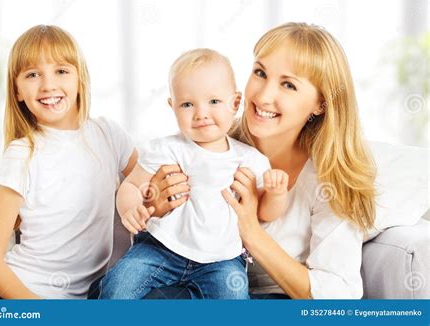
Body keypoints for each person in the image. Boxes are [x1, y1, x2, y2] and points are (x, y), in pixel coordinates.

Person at [146, 23, 377, 299]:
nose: (264, 96)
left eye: (288, 85)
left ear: (320, 104)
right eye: (260, 73)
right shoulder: (199, 147)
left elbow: (338, 296)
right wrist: (154, 208)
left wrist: (252, 232)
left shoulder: (329, 181)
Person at [99, 49, 289, 299]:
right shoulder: (166, 148)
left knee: (234, 299)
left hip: (222, 260)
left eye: (214, 102)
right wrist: (130, 209)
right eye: (187, 104)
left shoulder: (250, 159)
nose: (201, 114)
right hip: (161, 249)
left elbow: (265, 213)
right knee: (117, 285)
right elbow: (132, 186)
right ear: (173, 106)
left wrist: (276, 194)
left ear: (235, 103)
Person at [0, 25, 136, 299]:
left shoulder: (109, 135)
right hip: (18, 295)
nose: (48, 84)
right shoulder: (23, 153)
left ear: (80, 79)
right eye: (32, 74)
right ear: (17, 91)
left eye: (61, 71)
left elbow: (146, 186)